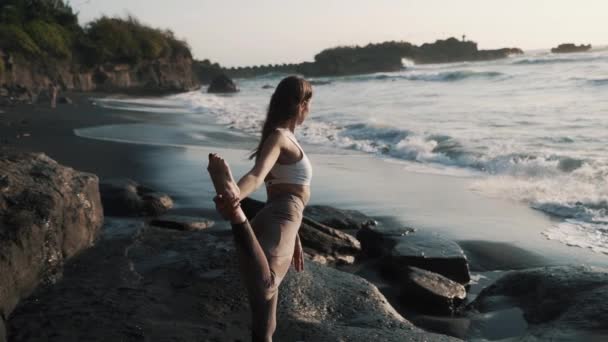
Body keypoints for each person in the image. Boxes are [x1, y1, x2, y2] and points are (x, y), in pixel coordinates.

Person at [207, 75, 313, 342]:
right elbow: (257, 176)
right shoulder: (280, 137)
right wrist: (235, 197)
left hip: (273, 217)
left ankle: (238, 215)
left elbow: (275, 189)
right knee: (267, 286)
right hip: (282, 214)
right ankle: (237, 216)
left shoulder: (278, 137)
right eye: (308, 103)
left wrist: (294, 234)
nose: (309, 110)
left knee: (266, 324)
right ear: (301, 105)